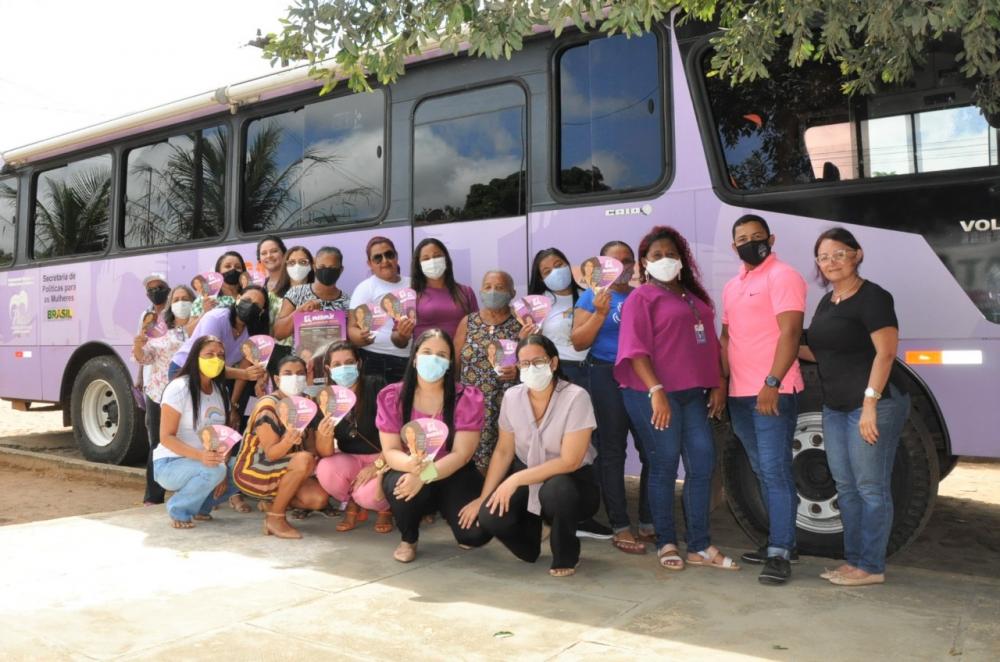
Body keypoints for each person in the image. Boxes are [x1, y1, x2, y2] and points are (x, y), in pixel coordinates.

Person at [616, 226, 739, 572]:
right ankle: (667, 540)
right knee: (665, 464)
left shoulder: (692, 296)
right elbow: (635, 351)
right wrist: (657, 392)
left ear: (682, 259)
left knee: (702, 463)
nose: (665, 260)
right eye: (657, 255)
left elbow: (711, 344)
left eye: (671, 254)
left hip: (692, 394)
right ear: (644, 263)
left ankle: (699, 545)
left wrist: (718, 382)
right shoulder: (641, 298)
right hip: (654, 395)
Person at [800, 228, 910, 586]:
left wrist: (870, 404)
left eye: (839, 254)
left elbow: (886, 352)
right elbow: (820, 352)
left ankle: (872, 566)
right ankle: (854, 561)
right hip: (835, 407)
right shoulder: (826, 302)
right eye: (823, 257)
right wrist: (774, 344)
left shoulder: (874, 297)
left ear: (857, 255)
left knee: (870, 487)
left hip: (875, 403)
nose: (831, 262)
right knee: (845, 487)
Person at [461, 335, 600, 577]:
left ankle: (566, 553)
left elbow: (570, 461)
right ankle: (530, 545)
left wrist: (514, 479)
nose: (530, 368)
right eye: (524, 364)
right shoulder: (512, 397)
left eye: (538, 361)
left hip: (573, 481)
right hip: (528, 474)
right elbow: (504, 451)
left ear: (553, 363)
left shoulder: (576, 397)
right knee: (490, 517)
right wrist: (484, 497)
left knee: (557, 490)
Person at [721, 213, 806, 585]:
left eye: (757, 236)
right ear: (733, 245)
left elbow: (791, 333)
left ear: (770, 240)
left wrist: (772, 382)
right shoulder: (732, 286)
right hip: (740, 395)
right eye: (742, 237)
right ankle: (780, 540)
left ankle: (781, 552)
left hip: (772, 392)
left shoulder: (783, 275)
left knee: (774, 471)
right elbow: (727, 338)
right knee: (761, 469)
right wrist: (722, 385)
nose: (749, 242)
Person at [376, 329, 491, 563]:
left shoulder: (466, 398)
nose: (433, 359)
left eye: (441, 354)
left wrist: (424, 476)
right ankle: (409, 538)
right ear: (415, 358)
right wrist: (412, 466)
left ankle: (443, 506)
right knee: (399, 484)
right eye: (427, 352)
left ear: (449, 363)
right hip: (409, 468)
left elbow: (462, 454)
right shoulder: (392, 396)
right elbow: (390, 451)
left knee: (475, 536)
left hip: (453, 471)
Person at [571, 241, 654, 554]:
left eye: (628, 260)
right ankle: (620, 525)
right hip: (605, 375)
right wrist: (600, 313)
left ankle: (649, 520)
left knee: (651, 450)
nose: (623, 266)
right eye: (615, 261)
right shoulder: (592, 296)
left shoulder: (641, 295)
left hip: (641, 376)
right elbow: (578, 342)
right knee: (612, 452)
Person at [529, 248, 610, 540]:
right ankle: (553, 512)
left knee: (591, 444)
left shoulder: (588, 296)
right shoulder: (538, 304)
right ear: (539, 278)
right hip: (557, 376)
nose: (555, 272)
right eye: (546, 270)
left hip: (590, 372)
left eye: (559, 264)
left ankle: (585, 514)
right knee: (557, 445)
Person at [232, 355, 330, 538]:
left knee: (318, 499)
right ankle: (275, 517)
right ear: (277, 379)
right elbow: (271, 454)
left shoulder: (307, 403)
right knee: (304, 460)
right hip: (255, 468)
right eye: (288, 374)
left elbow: (312, 448)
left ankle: (272, 501)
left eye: (300, 374)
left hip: (285, 468)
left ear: (307, 377)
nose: (295, 378)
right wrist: (287, 442)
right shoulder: (268, 406)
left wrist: (325, 435)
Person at [153, 336, 239, 529]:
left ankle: (201, 508)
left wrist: (223, 470)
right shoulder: (179, 388)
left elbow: (221, 438)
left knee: (243, 468)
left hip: (206, 462)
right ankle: (179, 510)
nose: (216, 359)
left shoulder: (220, 391)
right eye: (209, 354)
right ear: (195, 357)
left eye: (220, 355)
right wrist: (203, 457)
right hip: (169, 463)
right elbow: (166, 437)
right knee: (215, 470)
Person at [313, 341, 393, 534]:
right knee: (325, 469)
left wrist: (378, 466)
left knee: (370, 496)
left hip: (384, 456)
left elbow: (396, 433)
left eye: (349, 362)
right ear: (328, 369)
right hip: (351, 460)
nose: (343, 368)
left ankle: (385, 508)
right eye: (337, 364)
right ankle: (352, 502)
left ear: (358, 364)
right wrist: (325, 434)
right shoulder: (325, 398)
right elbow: (325, 452)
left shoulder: (377, 386)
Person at [453, 270, 529, 473]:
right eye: (487, 287)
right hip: (471, 406)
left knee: (506, 456)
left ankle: (503, 498)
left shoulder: (523, 322)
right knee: (469, 459)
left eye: (500, 287)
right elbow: (455, 363)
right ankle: (476, 497)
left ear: (512, 292)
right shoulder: (468, 322)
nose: (493, 291)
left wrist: (519, 369)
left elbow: (535, 359)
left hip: (507, 404)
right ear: (480, 291)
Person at [133, 284, 194, 506]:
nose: (181, 302)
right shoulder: (160, 328)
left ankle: (188, 492)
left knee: (188, 441)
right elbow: (145, 357)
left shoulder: (199, 326)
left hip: (188, 394)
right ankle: (153, 494)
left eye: (185, 298)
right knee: (158, 444)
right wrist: (138, 344)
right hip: (159, 394)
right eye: (176, 299)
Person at [349, 236, 413, 383]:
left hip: (411, 359)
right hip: (377, 362)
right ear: (370, 263)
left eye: (389, 255)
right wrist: (361, 336)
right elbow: (352, 328)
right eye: (378, 258)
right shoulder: (365, 288)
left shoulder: (412, 283)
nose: (385, 261)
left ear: (396, 257)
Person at [273, 246, 350, 341]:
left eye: (332, 268)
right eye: (322, 267)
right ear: (314, 267)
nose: (327, 271)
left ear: (340, 270)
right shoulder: (296, 293)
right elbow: (278, 333)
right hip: (301, 355)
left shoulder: (347, 302)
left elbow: (350, 338)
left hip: (335, 355)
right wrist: (302, 310)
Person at [410, 238, 478, 338]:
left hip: (461, 352)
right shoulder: (411, 296)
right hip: (425, 352)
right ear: (418, 265)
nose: (432, 261)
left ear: (446, 259)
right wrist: (402, 334)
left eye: (437, 256)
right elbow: (399, 341)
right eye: (426, 258)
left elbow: (476, 327)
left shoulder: (465, 292)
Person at [188, 251, 246, 326]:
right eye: (228, 266)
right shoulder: (206, 297)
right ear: (218, 272)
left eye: (238, 267)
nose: (233, 269)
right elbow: (189, 332)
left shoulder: (249, 294)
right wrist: (204, 313)